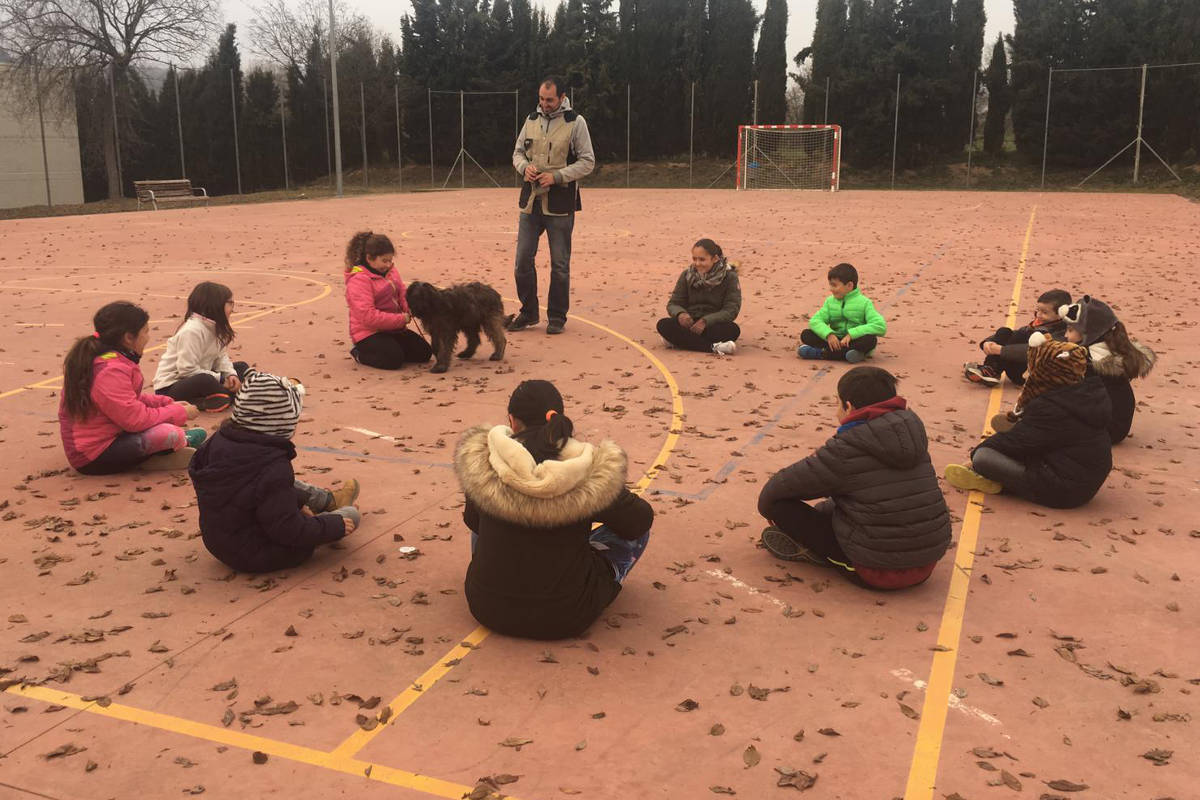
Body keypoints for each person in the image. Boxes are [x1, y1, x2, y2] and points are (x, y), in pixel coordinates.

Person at [454, 380, 653, 639]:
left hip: (487, 607)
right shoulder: (585, 468)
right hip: (567, 615)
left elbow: (473, 522)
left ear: (512, 421)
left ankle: (502, 576)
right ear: (558, 419)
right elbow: (639, 521)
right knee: (636, 531)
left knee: (485, 509)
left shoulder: (487, 460)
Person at [756, 366, 951, 590]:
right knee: (860, 496)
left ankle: (825, 556)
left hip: (876, 572)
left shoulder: (846, 448)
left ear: (848, 406)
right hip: (927, 563)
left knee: (779, 506)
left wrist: (776, 513)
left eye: (837, 403)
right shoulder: (911, 432)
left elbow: (774, 493)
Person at [189, 369, 361, 573]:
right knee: (350, 516)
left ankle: (326, 501)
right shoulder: (272, 466)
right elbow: (288, 530)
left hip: (218, 542)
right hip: (261, 552)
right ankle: (328, 509)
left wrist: (296, 504)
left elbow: (249, 491)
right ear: (280, 424)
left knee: (277, 488)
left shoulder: (218, 441)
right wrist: (332, 526)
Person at [945, 332, 1112, 509]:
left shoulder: (1051, 407)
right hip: (1084, 479)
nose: (1026, 376)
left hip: (1065, 490)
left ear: (1045, 374)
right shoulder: (1086, 392)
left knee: (984, 457)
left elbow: (1015, 442)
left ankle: (997, 482)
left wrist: (975, 457)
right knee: (1025, 440)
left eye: (1032, 370)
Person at [59, 301, 206, 474]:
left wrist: (165, 403)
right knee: (170, 434)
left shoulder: (112, 359)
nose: (148, 337)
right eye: (145, 332)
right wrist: (179, 413)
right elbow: (135, 419)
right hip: (93, 457)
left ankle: (164, 449)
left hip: (113, 434)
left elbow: (129, 399)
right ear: (128, 338)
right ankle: (158, 455)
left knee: (167, 428)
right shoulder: (109, 371)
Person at [505, 76, 597, 336]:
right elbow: (517, 153)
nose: (544, 104)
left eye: (549, 100)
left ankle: (557, 316)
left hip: (560, 204)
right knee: (522, 261)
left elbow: (588, 161)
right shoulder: (531, 120)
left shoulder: (575, 122)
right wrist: (525, 167)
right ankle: (529, 312)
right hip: (531, 203)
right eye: (541, 99)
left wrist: (557, 176)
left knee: (560, 265)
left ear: (562, 97)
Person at [1059, 296, 1155, 444]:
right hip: (1116, 425)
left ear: (1088, 334)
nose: (1066, 335)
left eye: (1070, 330)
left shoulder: (1091, 361)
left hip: (1106, 429)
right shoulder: (1110, 350)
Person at [153, 281, 250, 412]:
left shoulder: (215, 327)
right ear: (214, 305)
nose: (233, 308)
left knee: (241, 367)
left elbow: (221, 357)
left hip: (201, 374)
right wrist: (221, 379)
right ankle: (201, 401)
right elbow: (187, 370)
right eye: (230, 303)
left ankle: (226, 396)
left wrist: (231, 375)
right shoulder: (192, 331)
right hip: (171, 387)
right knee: (205, 380)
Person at [343, 231, 433, 370]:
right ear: (369, 258)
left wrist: (409, 307)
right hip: (369, 333)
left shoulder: (390, 270)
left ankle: (391, 347)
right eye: (384, 260)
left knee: (424, 353)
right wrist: (401, 319)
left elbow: (401, 292)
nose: (388, 264)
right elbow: (368, 317)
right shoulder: (359, 280)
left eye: (390, 260)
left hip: (393, 329)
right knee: (393, 360)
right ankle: (359, 353)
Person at [963, 289, 1071, 387]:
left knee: (1022, 340)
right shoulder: (1040, 324)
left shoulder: (1063, 332)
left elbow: (1038, 351)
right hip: (1019, 368)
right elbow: (1016, 335)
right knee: (1005, 332)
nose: (1039, 315)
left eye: (1044, 312)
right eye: (1038, 310)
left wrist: (1001, 350)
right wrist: (989, 342)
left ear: (1061, 314)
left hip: (1032, 375)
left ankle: (991, 370)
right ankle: (990, 369)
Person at [656, 238, 742, 355]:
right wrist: (681, 314)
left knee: (733, 330)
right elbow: (674, 303)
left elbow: (731, 310)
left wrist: (706, 321)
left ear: (715, 259)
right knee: (663, 324)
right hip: (689, 323)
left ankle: (679, 341)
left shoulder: (730, 277)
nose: (697, 263)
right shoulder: (686, 275)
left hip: (712, 325)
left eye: (702, 259)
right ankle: (714, 347)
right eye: (694, 259)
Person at [797, 263, 887, 363]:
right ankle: (849, 355)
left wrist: (851, 335)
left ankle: (822, 353)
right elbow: (815, 321)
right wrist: (829, 334)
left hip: (853, 341)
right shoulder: (830, 302)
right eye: (830, 284)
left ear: (849, 285)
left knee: (870, 340)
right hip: (835, 340)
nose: (831, 289)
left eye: (834, 285)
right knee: (806, 334)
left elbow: (880, 326)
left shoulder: (865, 303)